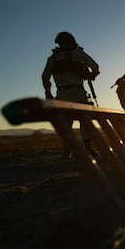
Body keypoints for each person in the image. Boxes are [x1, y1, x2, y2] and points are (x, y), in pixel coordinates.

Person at [41, 31, 100, 159]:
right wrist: (91, 75)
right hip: (78, 92)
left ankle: (67, 151)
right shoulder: (78, 53)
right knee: (84, 120)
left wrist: (48, 93)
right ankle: (88, 148)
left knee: (66, 123)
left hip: (62, 94)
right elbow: (95, 66)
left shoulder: (52, 58)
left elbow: (45, 77)